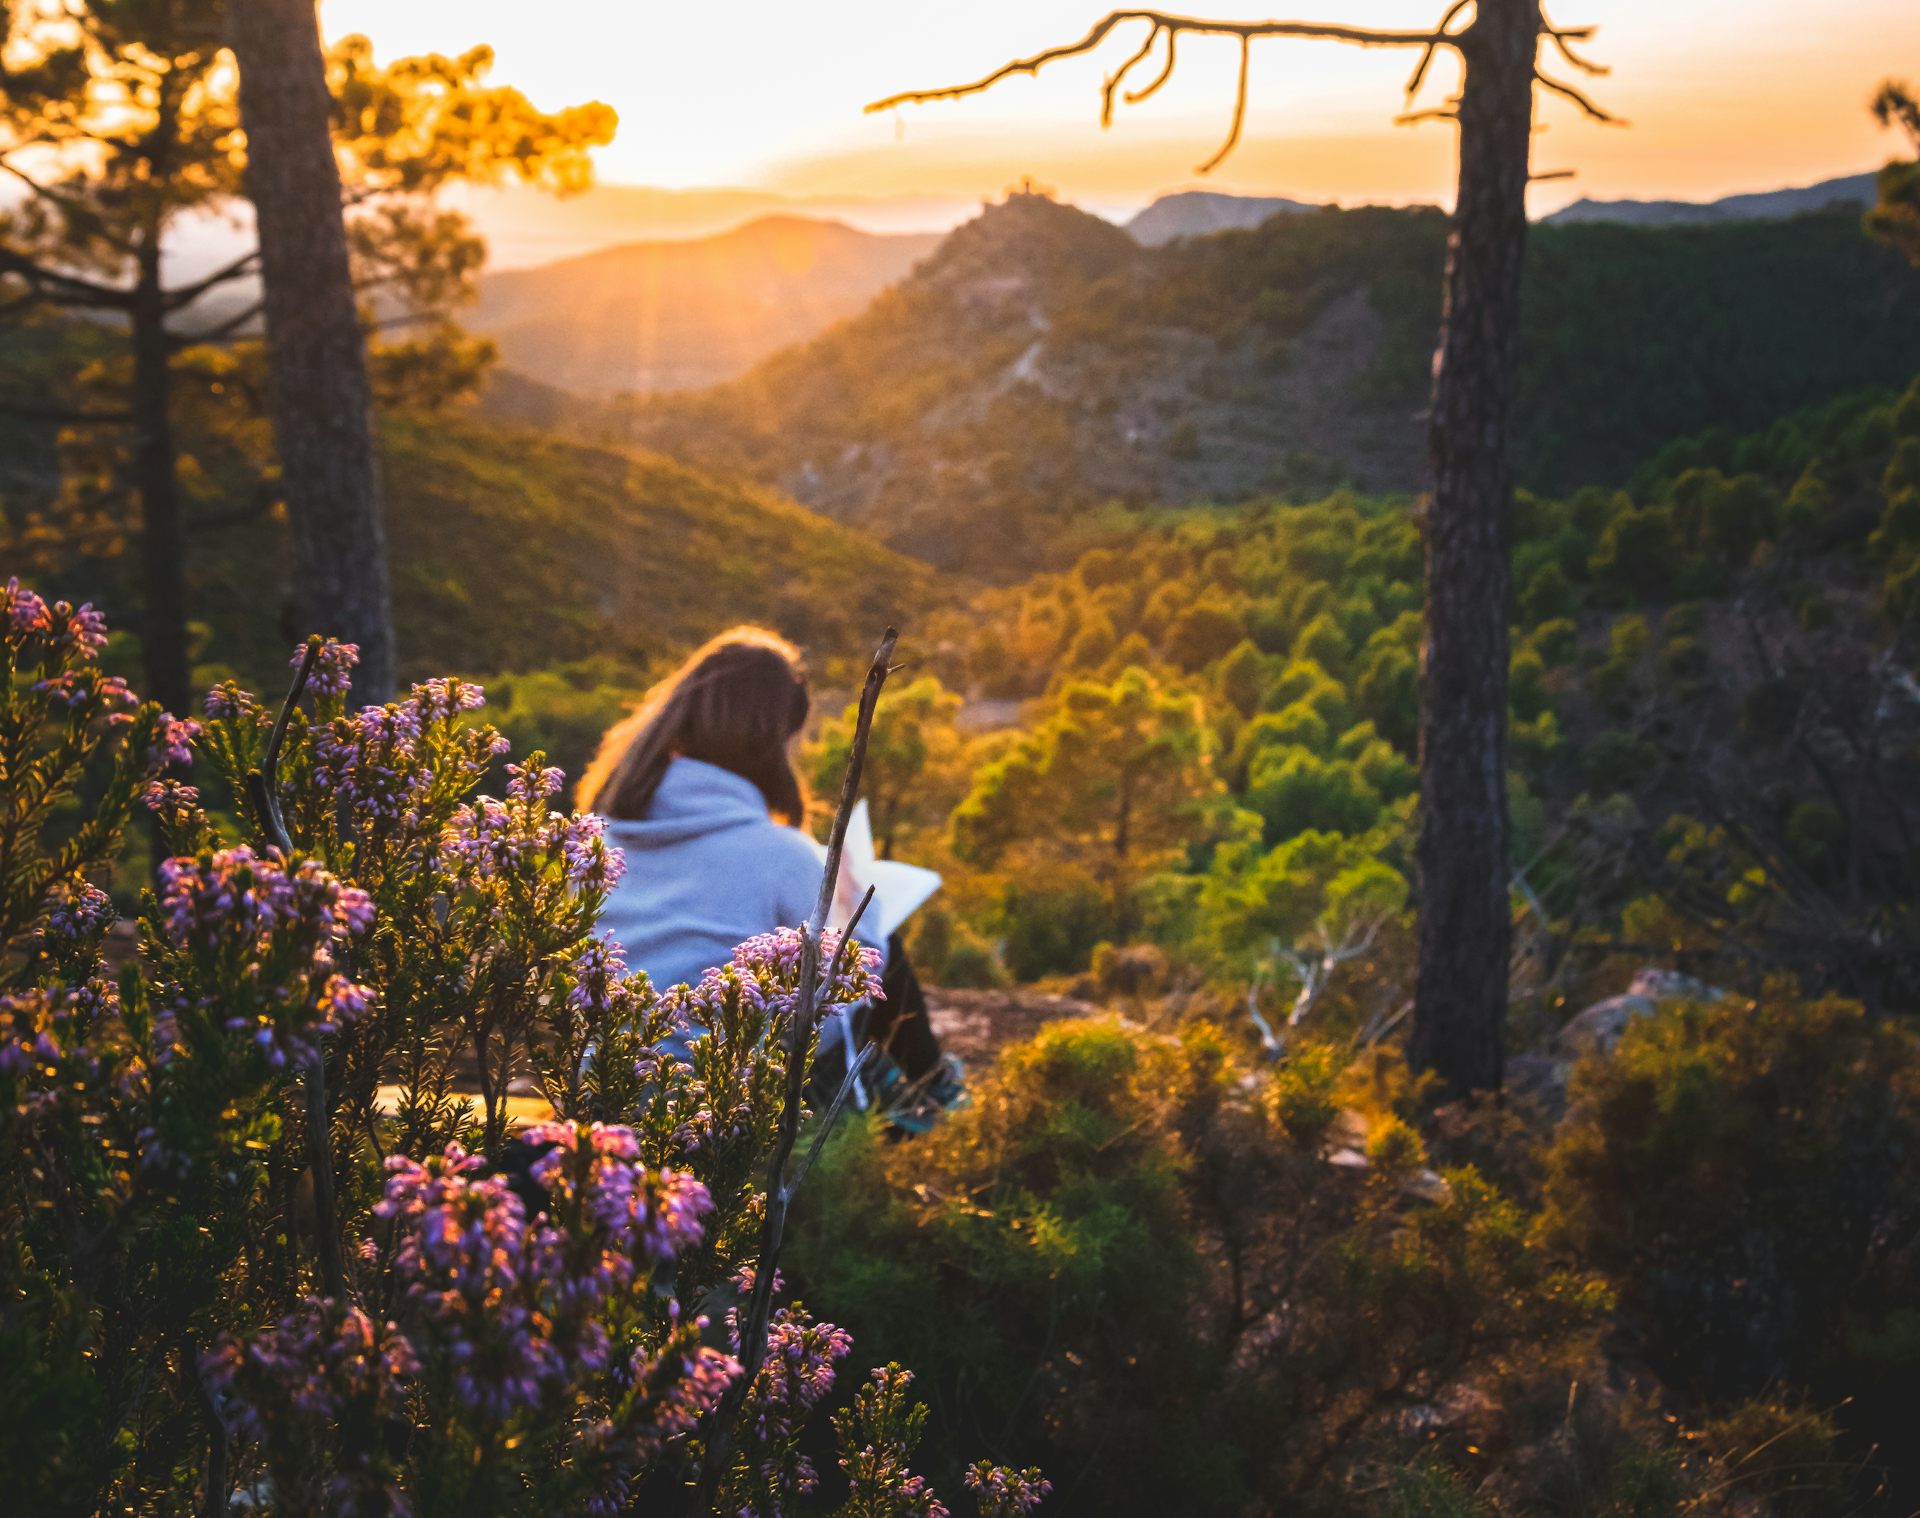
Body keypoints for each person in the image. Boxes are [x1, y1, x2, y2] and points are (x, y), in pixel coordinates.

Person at [578, 626, 959, 1124]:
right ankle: (938, 1090)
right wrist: (852, 899)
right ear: (773, 739)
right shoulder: (782, 855)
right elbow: (857, 983)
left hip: (600, 1096)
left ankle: (914, 1090)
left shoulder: (599, 843)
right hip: (716, 1111)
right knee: (874, 942)